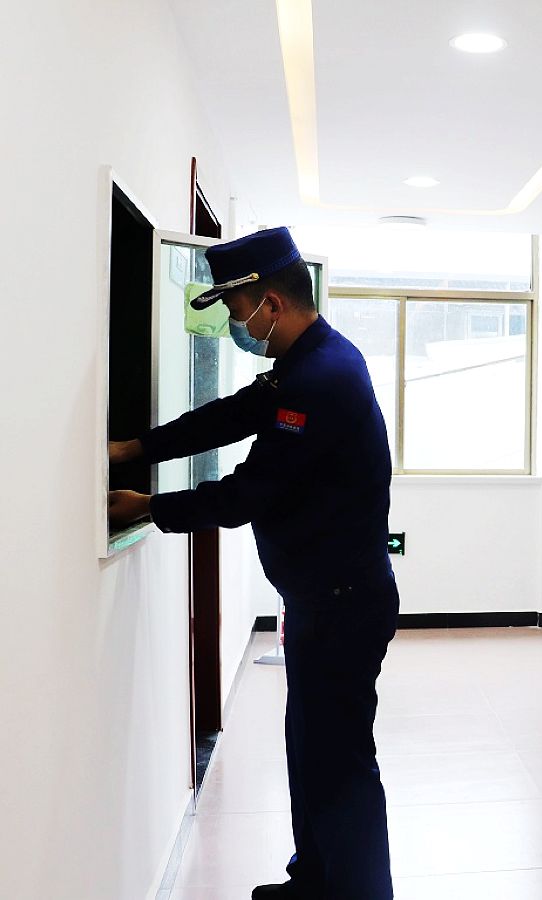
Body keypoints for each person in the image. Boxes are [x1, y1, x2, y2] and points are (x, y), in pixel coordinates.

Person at [107, 227, 397, 900]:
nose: (236, 326)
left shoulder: (322, 377)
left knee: (340, 763)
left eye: (237, 311)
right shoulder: (308, 361)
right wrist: (137, 448)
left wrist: (148, 506)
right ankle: (315, 880)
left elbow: (247, 494)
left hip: (343, 604)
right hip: (323, 599)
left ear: (270, 302)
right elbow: (231, 416)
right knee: (310, 751)